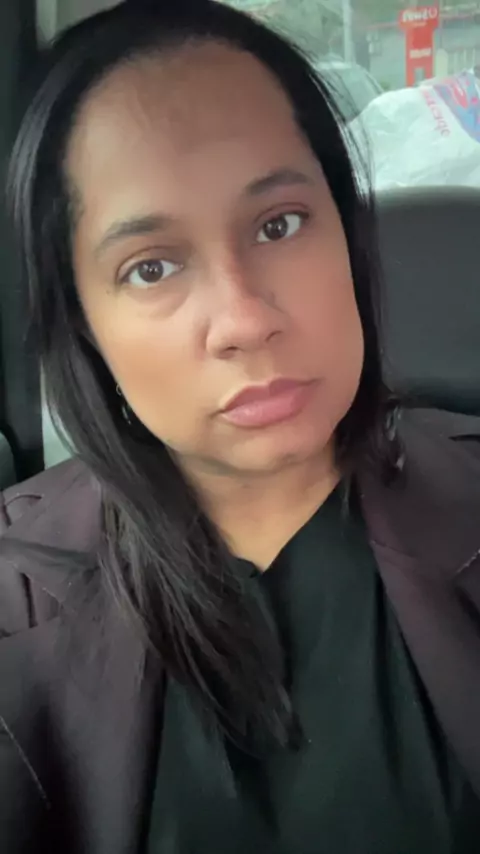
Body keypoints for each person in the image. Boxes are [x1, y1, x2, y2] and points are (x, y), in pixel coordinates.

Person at [2, 0, 480, 851]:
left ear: (346, 235)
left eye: (279, 225)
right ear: (84, 322)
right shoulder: (14, 598)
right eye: (151, 267)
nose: (245, 320)